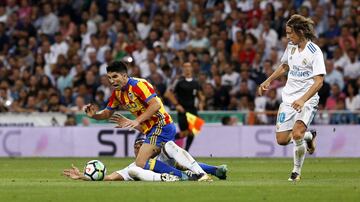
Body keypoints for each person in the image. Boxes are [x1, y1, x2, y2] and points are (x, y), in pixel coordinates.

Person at [84, 61, 212, 181]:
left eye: (115, 76)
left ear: (124, 75)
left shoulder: (138, 85)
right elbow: (107, 113)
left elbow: (155, 105)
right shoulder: (117, 94)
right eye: (109, 78)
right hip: (151, 129)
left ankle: (184, 176)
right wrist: (94, 115)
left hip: (161, 124)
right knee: (165, 159)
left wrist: (137, 121)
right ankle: (208, 171)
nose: (112, 81)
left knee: (141, 162)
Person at [258, 14, 326, 182]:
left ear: (301, 31)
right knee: (281, 140)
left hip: (307, 99)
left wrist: (303, 99)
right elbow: (285, 66)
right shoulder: (291, 47)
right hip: (288, 98)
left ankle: (296, 172)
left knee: (296, 134)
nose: (288, 36)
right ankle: (309, 136)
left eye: (290, 33)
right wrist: (268, 80)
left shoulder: (314, 51)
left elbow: (319, 82)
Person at [63, 137, 228, 182]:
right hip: (159, 176)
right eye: (136, 146)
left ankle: (214, 170)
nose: (139, 148)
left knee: (170, 145)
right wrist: (84, 177)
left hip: (176, 169)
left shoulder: (160, 154)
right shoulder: (133, 164)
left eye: (142, 145)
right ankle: (169, 177)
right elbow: (109, 177)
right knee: (135, 170)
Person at [164, 62, 205, 151]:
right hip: (183, 110)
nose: (187, 69)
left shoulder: (196, 82)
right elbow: (168, 93)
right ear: (183, 69)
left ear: (191, 69)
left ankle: (186, 151)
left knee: (193, 131)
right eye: (185, 67)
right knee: (184, 133)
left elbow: (200, 95)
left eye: (189, 67)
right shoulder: (179, 81)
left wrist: (201, 101)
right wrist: (177, 105)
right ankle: (166, 141)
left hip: (193, 110)